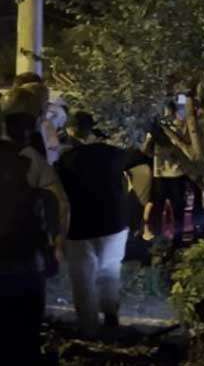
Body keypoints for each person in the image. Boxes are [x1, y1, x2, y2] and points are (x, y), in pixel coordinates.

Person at [56, 112, 144, 337]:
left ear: (70, 130)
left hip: (79, 226)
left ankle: (89, 329)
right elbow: (139, 160)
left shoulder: (64, 160)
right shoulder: (112, 153)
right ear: (92, 129)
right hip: (113, 223)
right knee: (110, 272)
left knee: (82, 279)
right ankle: (111, 317)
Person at [0, 111, 65, 362]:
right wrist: (55, 243)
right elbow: (55, 201)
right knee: (26, 324)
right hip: (24, 257)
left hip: (20, 255)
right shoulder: (30, 159)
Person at [142, 102, 192, 244]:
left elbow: (147, 150)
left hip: (171, 174)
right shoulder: (161, 129)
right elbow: (146, 150)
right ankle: (168, 241)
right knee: (167, 208)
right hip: (166, 173)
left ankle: (173, 241)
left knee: (172, 208)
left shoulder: (177, 127)